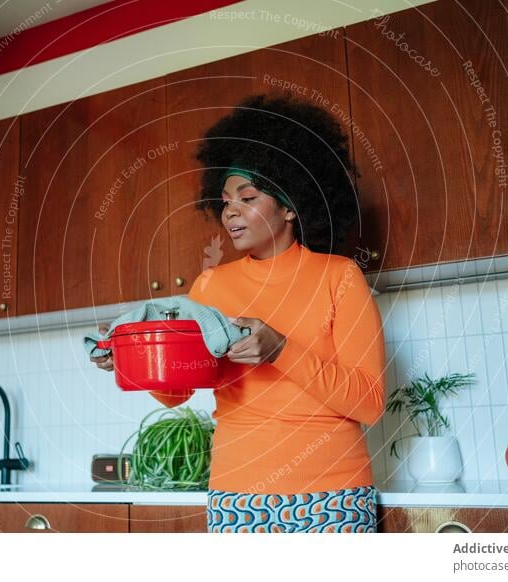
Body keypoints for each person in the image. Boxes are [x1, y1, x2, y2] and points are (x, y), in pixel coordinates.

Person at [91, 93, 386, 533]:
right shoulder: (211, 285)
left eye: (247, 197)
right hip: (235, 493)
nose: (230, 210)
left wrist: (280, 348)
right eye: (226, 199)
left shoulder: (339, 277)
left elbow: (369, 403)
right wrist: (134, 362)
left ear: (290, 206)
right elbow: (179, 390)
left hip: (333, 492)